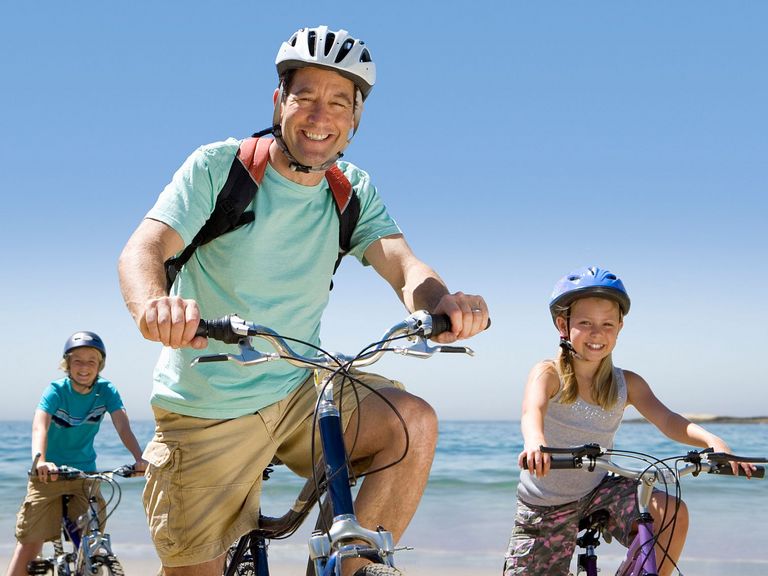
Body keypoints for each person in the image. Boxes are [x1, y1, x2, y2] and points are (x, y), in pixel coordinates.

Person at [117, 25, 488, 576]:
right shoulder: (222, 168)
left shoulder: (352, 189)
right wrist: (154, 305)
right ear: (278, 101)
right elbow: (145, 247)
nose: (322, 116)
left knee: (411, 422)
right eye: (306, 97)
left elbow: (403, 263)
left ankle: (347, 568)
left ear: (356, 118)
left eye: (340, 102)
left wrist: (443, 302)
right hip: (209, 406)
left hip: (298, 389)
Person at [503, 266, 755, 576]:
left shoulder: (628, 383)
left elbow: (668, 420)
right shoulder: (548, 373)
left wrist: (711, 441)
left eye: (607, 324)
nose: (597, 333)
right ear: (563, 325)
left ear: (620, 327)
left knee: (671, 512)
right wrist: (535, 444)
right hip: (544, 504)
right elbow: (533, 411)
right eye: (585, 323)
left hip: (598, 492)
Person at [5, 331, 147, 576]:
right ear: (67, 364)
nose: (84, 367)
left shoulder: (106, 391)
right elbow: (40, 424)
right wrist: (40, 459)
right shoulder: (56, 390)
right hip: (48, 475)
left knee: (91, 541)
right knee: (30, 542)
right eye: (77, 360)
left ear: (99, 365)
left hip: (84, 474)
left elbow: (122, 426)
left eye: (91, 361)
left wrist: (138, 457)